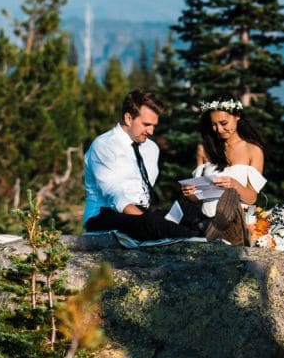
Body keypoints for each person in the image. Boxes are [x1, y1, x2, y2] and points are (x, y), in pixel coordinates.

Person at [83, 89, 201, 240]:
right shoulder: (104, 146)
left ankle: (210, 231)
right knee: (151, 223)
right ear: (128, 118)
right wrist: (150, 218)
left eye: (154, 125)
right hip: (103, 215)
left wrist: (154, 216)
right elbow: (115, 196)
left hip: (141, 213)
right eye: (146, 124)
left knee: (188, 211)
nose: (151, 131)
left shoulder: (151, 148)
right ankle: (200, 241)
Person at [167, 98, 267, 246]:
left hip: (236, 219)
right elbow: (198, 198)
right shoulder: (204, 149)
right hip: (206, 216)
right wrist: (191, 193)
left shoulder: (253, 150)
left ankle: (220, 228)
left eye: (223, 123)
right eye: (214, 125)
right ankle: (209, 228)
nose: (219, 130)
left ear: (237, 116)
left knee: (230, 197)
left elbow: (252, 198)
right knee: (180, 212)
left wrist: (235, 185)